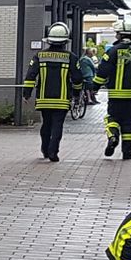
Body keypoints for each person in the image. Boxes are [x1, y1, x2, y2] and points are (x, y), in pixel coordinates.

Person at [22, 23, 86, 162]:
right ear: (65, 41)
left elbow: (31, 75)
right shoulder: (71, 57)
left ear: (49, 40)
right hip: (62, 100)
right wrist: (76, 94)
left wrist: (26, 93)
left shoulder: (39, 55)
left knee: (46, 124)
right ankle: (53, 152)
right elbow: (77, 78)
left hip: (43, 99)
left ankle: (45, 149)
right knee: (58, 125)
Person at [97, 26, 131, 159]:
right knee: (129, 123)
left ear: (119, 35)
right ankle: (127, 153)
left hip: (116, 95)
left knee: (112, 118)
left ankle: (113, 136)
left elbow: (103, 70)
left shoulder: (112, 51)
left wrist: (95, 86)